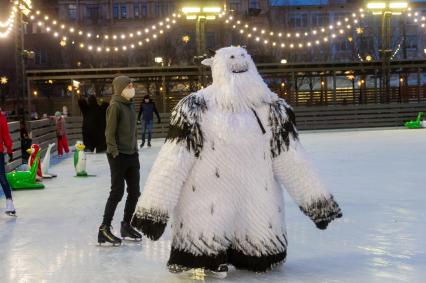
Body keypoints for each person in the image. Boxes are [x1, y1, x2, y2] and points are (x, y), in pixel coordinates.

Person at [131, 46, 342, 278]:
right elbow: (173, 161)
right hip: (206, 212)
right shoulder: (195, 108)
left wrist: (318, 204)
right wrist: (153, 212)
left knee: (257, 247)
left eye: (243, 57)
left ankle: (248, 253)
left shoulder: (273, 109)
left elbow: (292, 160)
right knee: (205, 242)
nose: (238, 61)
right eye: (231, 58)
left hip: (256, 215)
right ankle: (206, 255)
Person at [98, 75, 142, 246]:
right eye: (129, 85)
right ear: (121, 88)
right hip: (118, 155)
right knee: (117, 192)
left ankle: (126, 224)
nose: (132, 87)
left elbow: (133, 132)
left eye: (132, 84)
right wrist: (114, 151)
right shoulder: (115, 106)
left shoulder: (130, 106)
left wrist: (135, 149)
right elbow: (109, 133)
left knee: (135, 192)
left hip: (131, 154)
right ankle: (104, 228)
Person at [0, 109, 16, 216]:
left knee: (1, 176)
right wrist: (9, 150)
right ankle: (10, 203)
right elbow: (6, 135)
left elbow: (5, 135)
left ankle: (10, 204)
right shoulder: (1, 118)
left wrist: (9, 150)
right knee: (1, 176)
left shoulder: (1, 118)